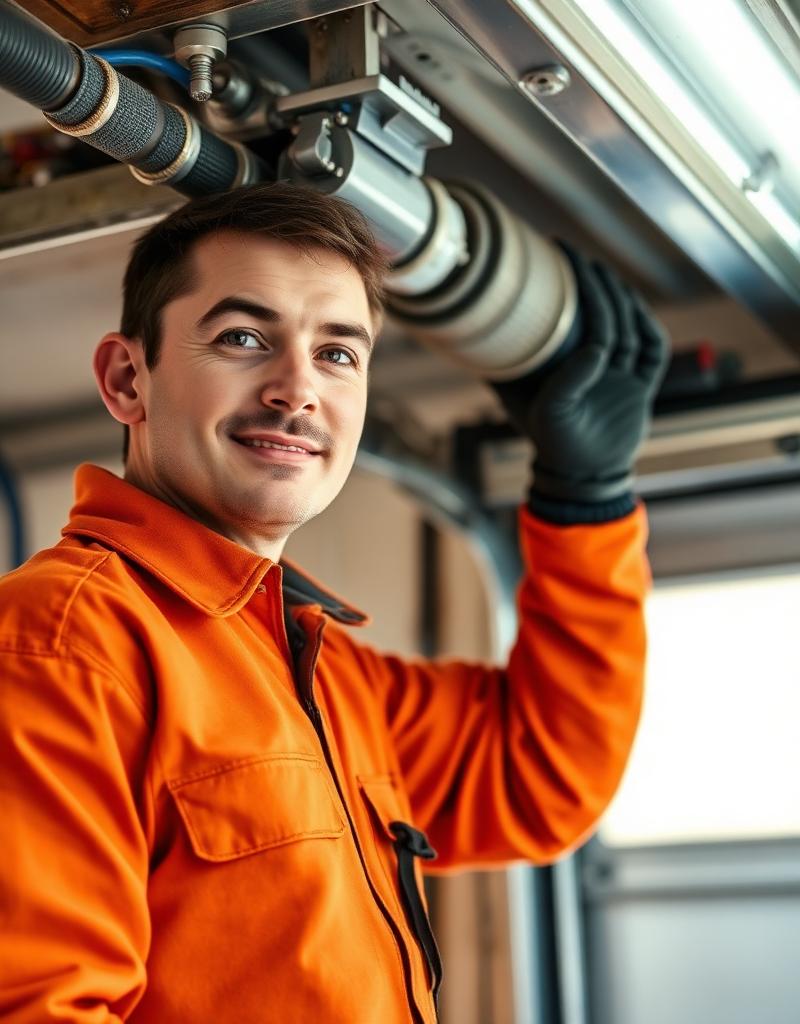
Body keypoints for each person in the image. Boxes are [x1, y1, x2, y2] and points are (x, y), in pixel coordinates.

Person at [0, 182, 668, 1023]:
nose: (297, 389)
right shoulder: (60, 644)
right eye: (244, 338)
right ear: (128, 380)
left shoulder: (327, 675)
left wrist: (586, 502)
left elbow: (536, 775)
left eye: (338, 354)